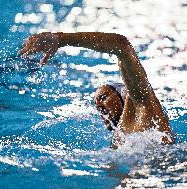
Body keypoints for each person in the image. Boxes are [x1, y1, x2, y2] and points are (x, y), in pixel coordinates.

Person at [19, 32, 175, 148]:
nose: (99, 107)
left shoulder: (145, 109)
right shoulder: (119, 138)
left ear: (124, 94)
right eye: (96, 104)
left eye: (103, 97)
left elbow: (122, 46)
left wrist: (61, 39)